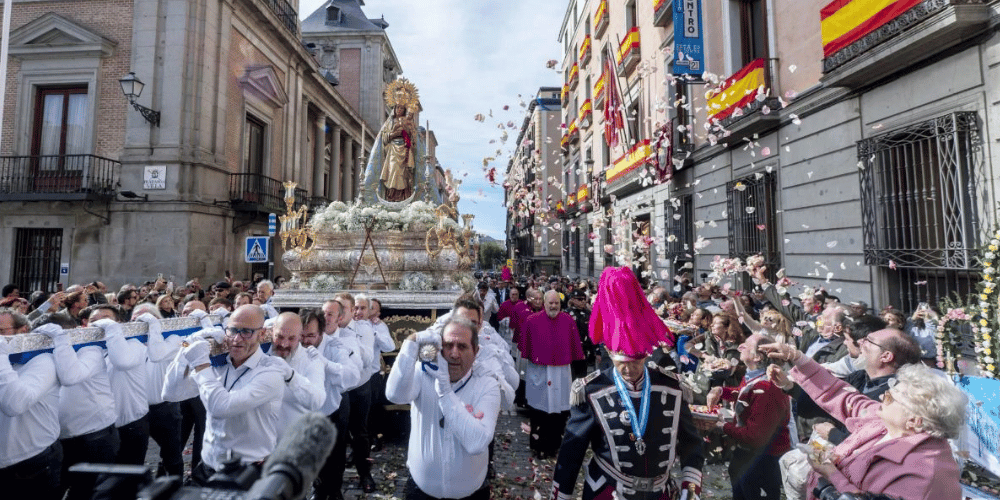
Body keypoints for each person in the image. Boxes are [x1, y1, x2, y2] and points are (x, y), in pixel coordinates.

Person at [552, 267, 704, 500]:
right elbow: (573, 451)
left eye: (635, 363)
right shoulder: (592, 390)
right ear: (610, 354)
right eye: (622, 363)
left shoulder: (671, 387)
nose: (629, 370)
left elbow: (691, 442)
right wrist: (561, 495)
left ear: (646, 356)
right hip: (609, 491)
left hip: (660, 492)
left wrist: (689, 488)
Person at [762, 342, 965, 500]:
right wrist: (796, 357)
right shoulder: (883, 422)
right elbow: (842, 395)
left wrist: (832, 474)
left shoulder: (925, 469)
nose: (880, 398)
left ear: (915, 421)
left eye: (890, 397)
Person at [162, 304, 285, 485]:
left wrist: (201, 364)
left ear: (262, 333)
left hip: (248, 471)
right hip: (208, 467)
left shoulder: (271, 372)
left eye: (246, 332)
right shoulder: (219, 362)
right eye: (233, 330)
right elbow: (171, 393)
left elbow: (221, 407)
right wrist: (187, 347)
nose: (237, 338)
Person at [386, 316, 501, 499]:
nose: (454, 354)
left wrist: (445, 391)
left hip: (471, 494)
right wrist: (411, 343)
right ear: (439, 348)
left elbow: (477, 442)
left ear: (476, 351)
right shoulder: (423, 373)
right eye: (448, 345)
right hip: (421, 492)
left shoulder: (487, 385)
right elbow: (394, 395)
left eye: (462, 346)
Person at [707, 334, 791, 500]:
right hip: (749, 456)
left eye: (745, 344)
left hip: (762, 461)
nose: (740, 347)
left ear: (757, 357)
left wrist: (721, 426)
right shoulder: (755, 376)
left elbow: (755, 437)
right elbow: (745, 396)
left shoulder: (767, 387)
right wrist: (721, 391)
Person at [0, 308, 63, 500]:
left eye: (1, 331)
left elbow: (15, 404)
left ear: (23, 330)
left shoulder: (42, 361)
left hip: (31, 461)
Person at [520, 290, 584, 458]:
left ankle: (555, 447)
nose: (553, 306)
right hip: (539, 372)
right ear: (544, 303)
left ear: (560, 304)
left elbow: (575, 347)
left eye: (556, 303)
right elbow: (524, 347)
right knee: (539, 411)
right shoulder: (532, 321)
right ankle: (538, 447)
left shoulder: (568, 320)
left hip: (561, 373)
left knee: (559, 413)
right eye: (551, 303)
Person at [311, 301, 363, 500]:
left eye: (330, 314)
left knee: (336, 448)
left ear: (340, 318)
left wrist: (327, 364)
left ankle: (334, 490)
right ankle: (318, 487)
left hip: (337, 399)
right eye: (322, 312)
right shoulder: (310, 336)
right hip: (312, 402)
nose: (325, 317)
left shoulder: (347, 339)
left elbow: (353, 372)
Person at [268, 312, 326, 441]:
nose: (284, 344)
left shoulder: (312, 361)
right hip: (260, 446)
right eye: (279, 336)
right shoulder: (260, 353)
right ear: (272, 331)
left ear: (300, 336)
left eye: (291, 338)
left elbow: (317, 401)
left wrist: (292, 377)